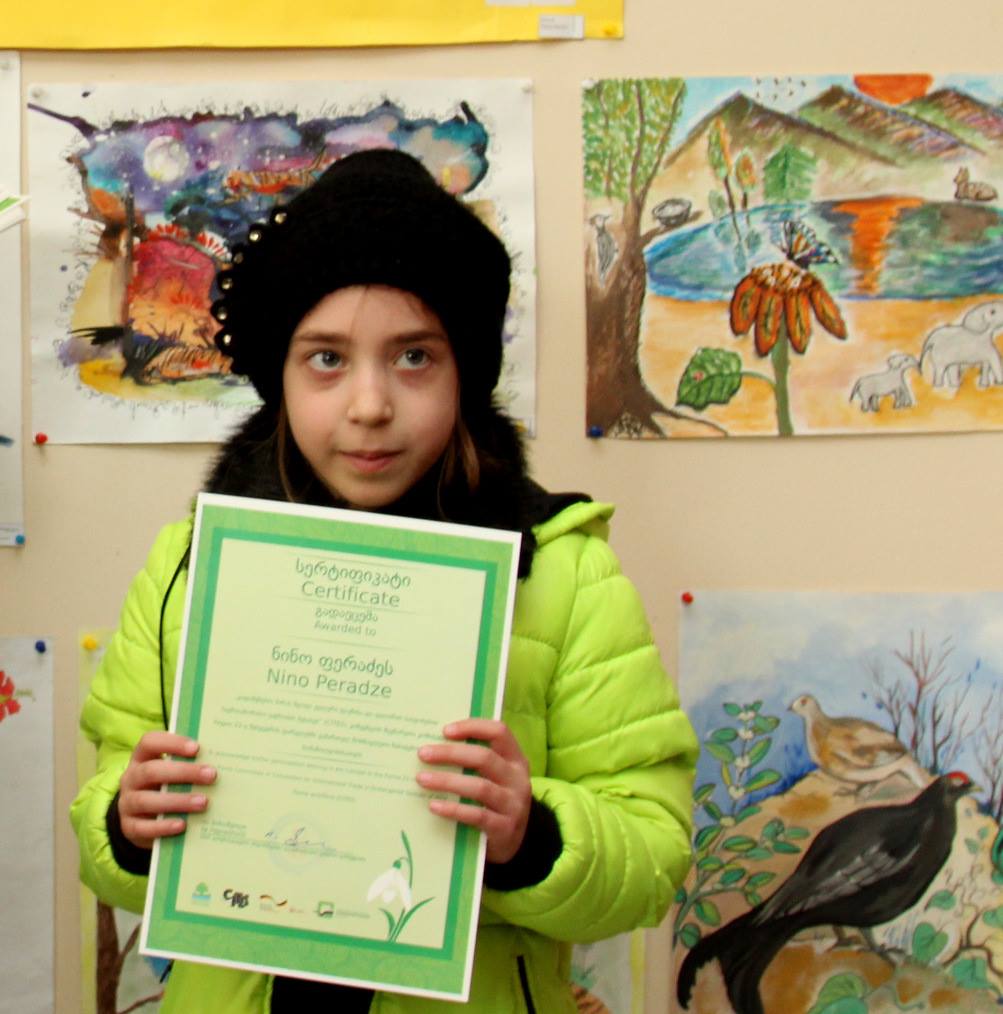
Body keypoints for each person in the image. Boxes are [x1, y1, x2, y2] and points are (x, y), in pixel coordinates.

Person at [71, 148, 699, 1013]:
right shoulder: (190, 567)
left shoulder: (565, 573)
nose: (370, 405)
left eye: (413, 358)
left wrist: (529, 831)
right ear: (279, 376)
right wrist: (127, 826)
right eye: (326, 359)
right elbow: (104, 838)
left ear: (464, 372)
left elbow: (650, 860)